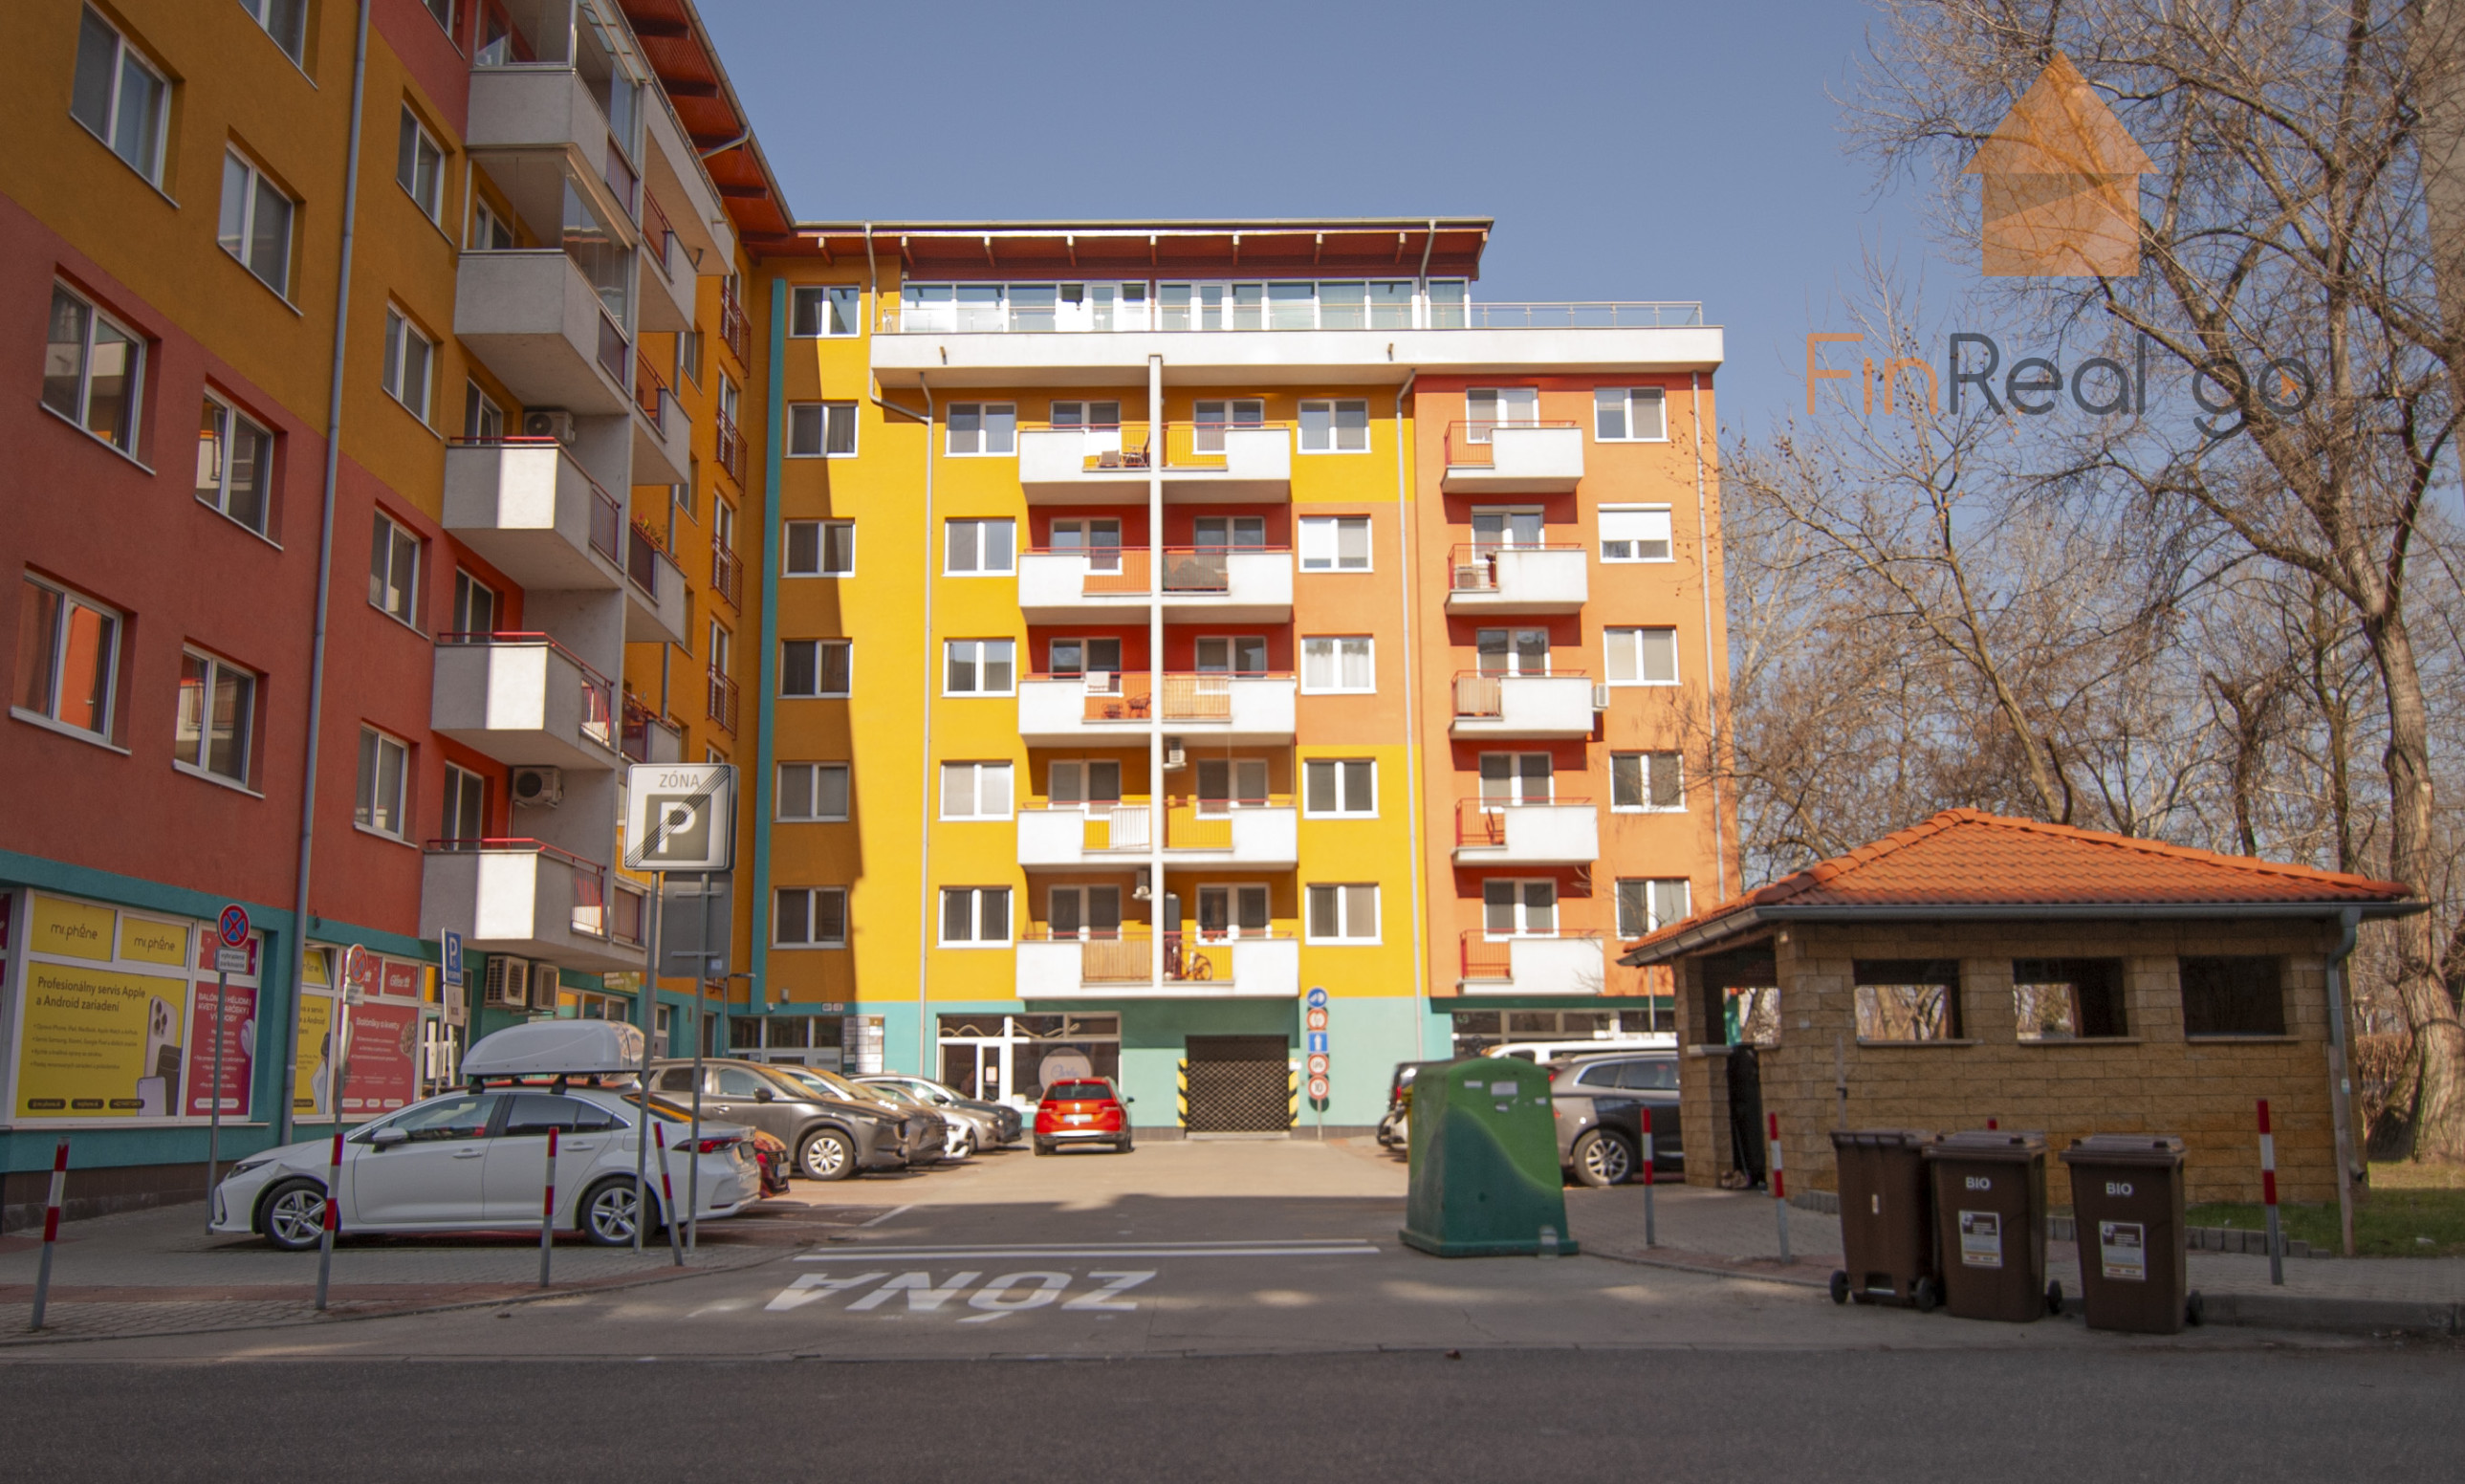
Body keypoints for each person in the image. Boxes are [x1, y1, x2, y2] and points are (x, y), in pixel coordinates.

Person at [1726, 1040, 1765, 1189]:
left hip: (1746, 1106)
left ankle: (1756, 1171)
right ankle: (1755, 1170)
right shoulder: (1743, 1066)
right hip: (1745, 1107)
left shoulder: (1741, 1064)